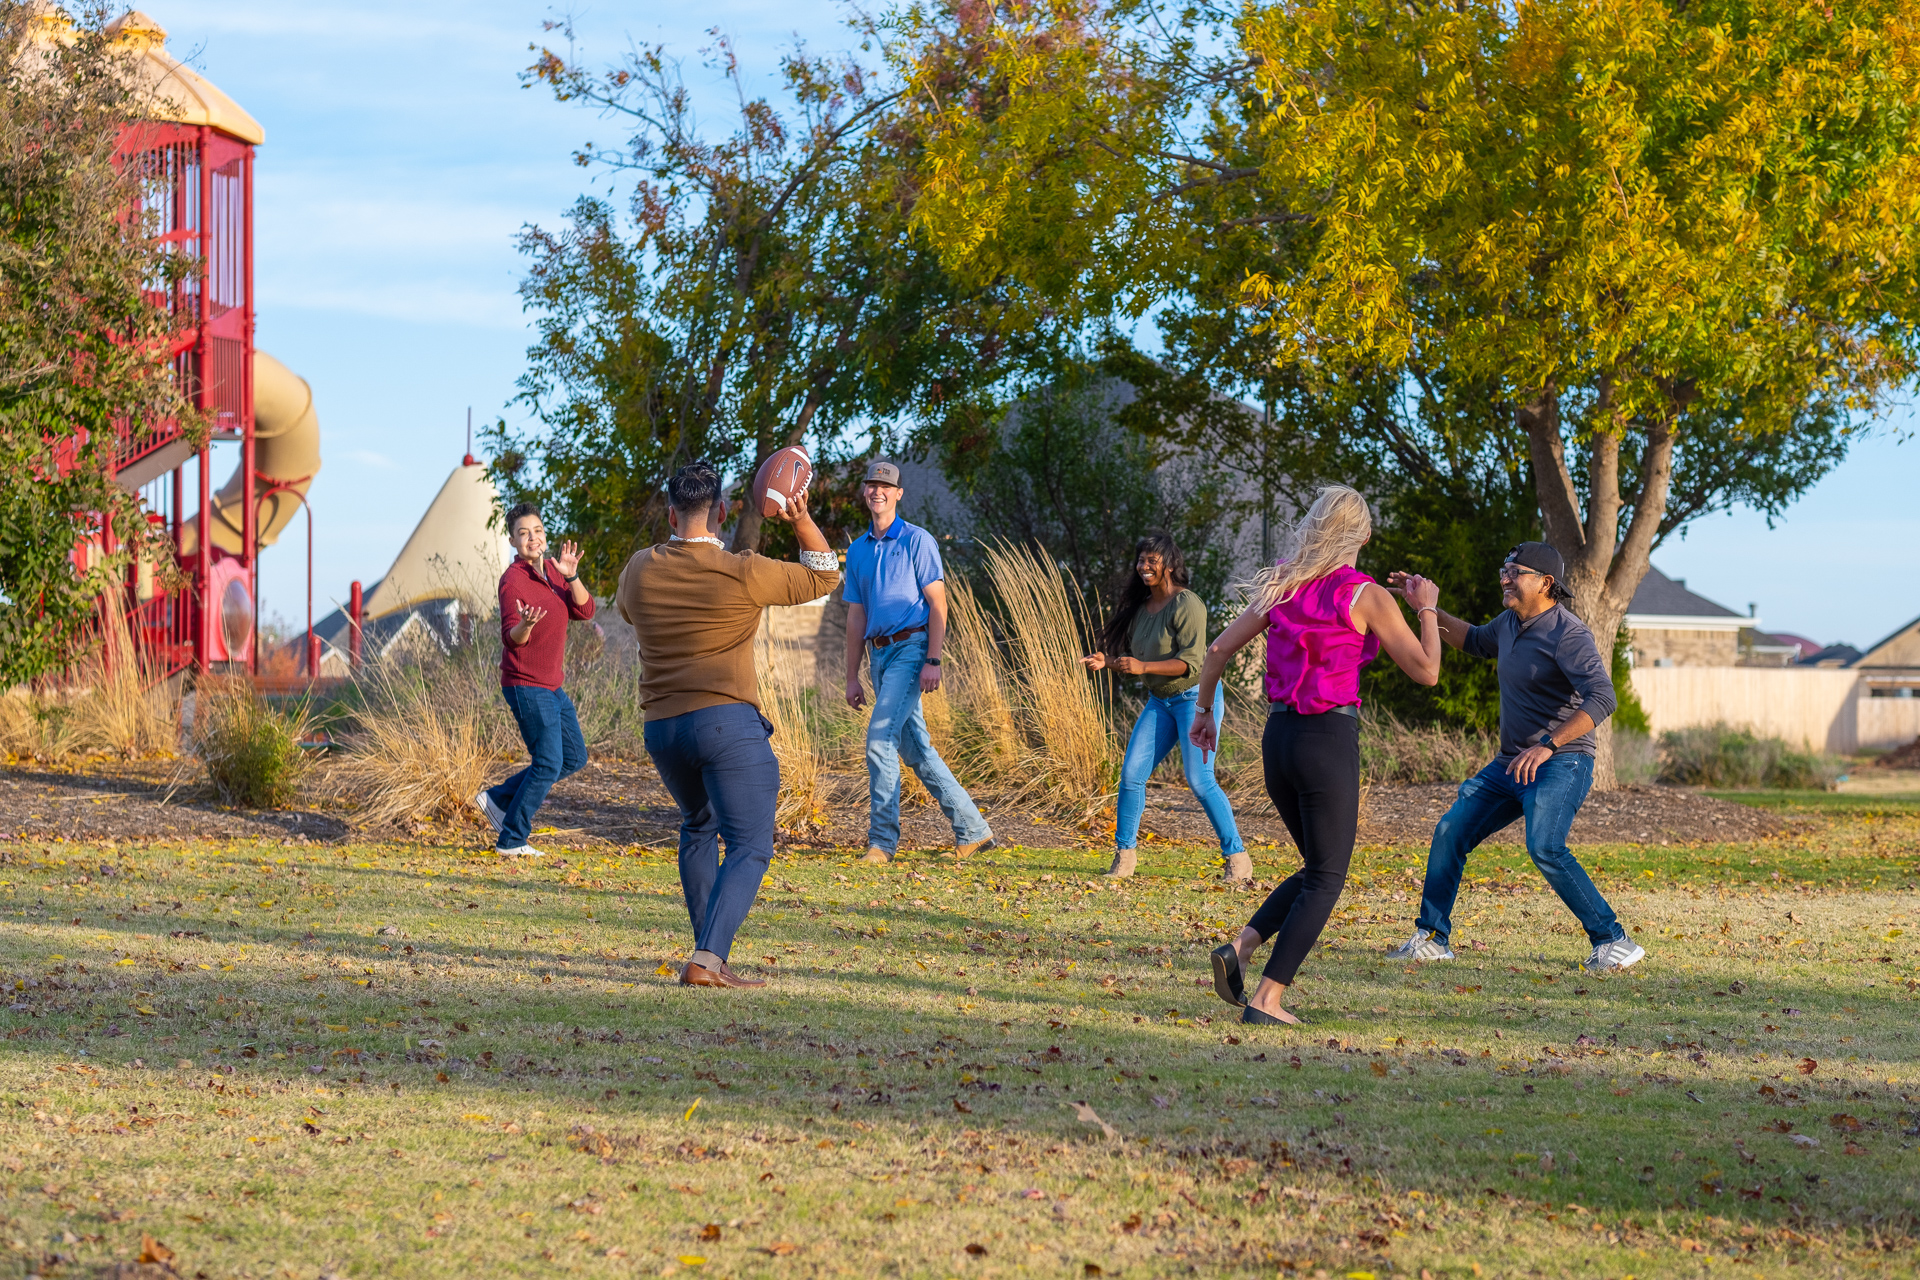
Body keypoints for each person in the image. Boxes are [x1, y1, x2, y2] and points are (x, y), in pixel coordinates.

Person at [1189, 485, 1443, 1026]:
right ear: (1365, 536)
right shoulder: (1365, 594)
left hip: (1277, 740)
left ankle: (1242, 946)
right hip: (1326, 740)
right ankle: (1267, 1000)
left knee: (1316, 868)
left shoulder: (1284, 583)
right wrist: (1427, 609)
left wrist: (1205, 711)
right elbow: (1426, 671)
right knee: (1328, 877)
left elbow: (1216, 650)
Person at [615, 460, 840, 989]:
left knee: (699, 825)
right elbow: (826, 573)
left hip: (663, 730)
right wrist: (800, 519)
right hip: (726, 725)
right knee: (751, 843)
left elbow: (625, 613)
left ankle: (708, 955)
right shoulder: (744, 570)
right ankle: (708, 958)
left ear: (671, 514)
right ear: (720, 512)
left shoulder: (638, 569)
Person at [1383, 542, 1646, 972]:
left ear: (1546, 583)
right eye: (1504, 569)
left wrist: (1549, 744)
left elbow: (1603, 697)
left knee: (1545, 845)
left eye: (1515, 571)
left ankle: (1613, 940)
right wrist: (1423, 609)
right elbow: (1470, 639)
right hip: (1512, 763)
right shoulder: (1509, 623)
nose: (1504, 577)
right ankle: (1432, 938)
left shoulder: (1569, 633)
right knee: (1451, 830)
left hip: (1563, 760)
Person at [842, 459, 995, 864]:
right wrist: (851, 676)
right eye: (872, 485)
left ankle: (882, 843)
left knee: (879, 740)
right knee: (917, 751)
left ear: (898, 494)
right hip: (878, 656)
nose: (878, 491)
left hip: (912, 650)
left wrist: (934, 659)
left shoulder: (917, 540)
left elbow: (938, 603)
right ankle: (973, 830)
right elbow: (856, 617)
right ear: (865, 492)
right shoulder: (857, 550)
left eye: (886, 486)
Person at [1081, 533, 1247, 880]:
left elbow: (1191, 664)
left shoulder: (1187, 604)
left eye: (1151, 560)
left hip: (1195, 700)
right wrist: (1107, 661)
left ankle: (1237, 858)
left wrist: (1141, 667)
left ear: (1169, 564)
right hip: (1160, 702)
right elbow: (1138, 661)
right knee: (1130, 776)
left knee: (1200, 781)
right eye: (1140, 560)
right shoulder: (1142, 610)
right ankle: (1124, 857)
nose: (1143, 566)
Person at [473, 502, 597, 858]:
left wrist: (571, 576)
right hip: (525, 684)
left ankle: (497, 798)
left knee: (573, 757)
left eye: (538, 530)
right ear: (513, 540)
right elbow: (511, 637)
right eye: (524, 533)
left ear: (545, 535)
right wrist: (525, 625)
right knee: (547, 763)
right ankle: (512, 839)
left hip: (552, 686)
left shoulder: (555, 573)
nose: (533, 537)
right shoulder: (513, 580)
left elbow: (585, 611)